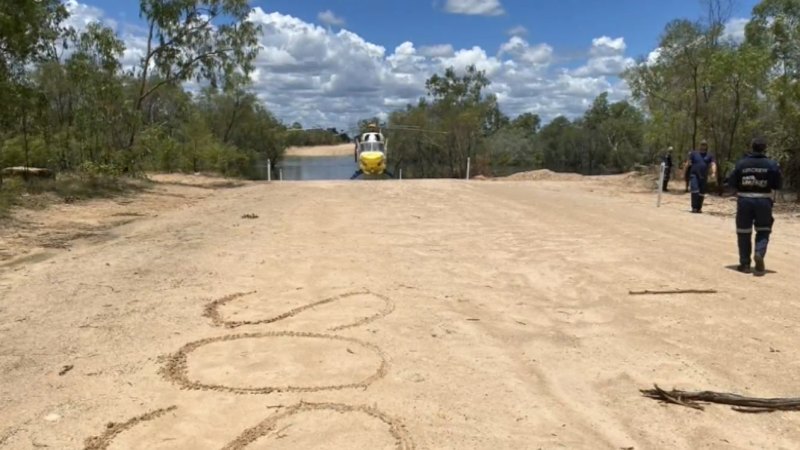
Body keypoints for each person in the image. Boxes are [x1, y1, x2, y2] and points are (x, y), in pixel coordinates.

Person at [726, 137, 783, 276]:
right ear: (765, 148)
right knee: (764, 230)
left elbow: (731, 182)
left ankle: (745, 264)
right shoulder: (771, 164)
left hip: (744, 200)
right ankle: (759, 252)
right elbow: (778, 184)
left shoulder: (741, 163)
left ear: (752, 147)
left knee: (743, 232)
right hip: (764, 201)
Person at [685, 139, 717, 213]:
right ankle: (694, 207)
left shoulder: (709, 155)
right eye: (702, 144)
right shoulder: (694, 154)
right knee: (695, 190)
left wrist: (713, 173)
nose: (703, 146)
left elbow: (713, 164)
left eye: (704, 145)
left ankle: (699, 208)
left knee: (701, 193)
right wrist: (685, 170)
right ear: (699, 145)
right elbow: (688, 163)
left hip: (703, 176)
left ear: (706, 146)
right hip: (694, 175)